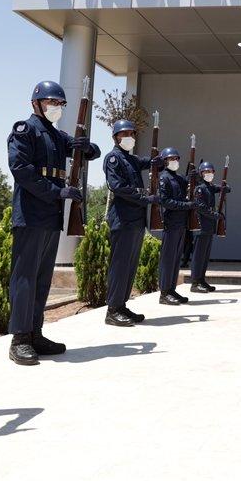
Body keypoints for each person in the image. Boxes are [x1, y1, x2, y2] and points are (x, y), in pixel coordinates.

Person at [7, 80, 99, 365]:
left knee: (42, 278)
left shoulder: (57, 136)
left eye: (60, 104)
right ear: (36, 104)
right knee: (24, 278)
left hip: (50, 217)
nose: (56, 108)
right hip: (31, 214)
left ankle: (35, 333)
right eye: (51, 103)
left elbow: (89, 152)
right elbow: (21, 170)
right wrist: (57, 192)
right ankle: (19, 339)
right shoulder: (25, 130)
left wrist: (87, 145)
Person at [102, 119, 156, 328]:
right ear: (116, 138)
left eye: (132, 134)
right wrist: (144, 197)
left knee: (130, 265)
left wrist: (157, 161)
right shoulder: (113, 159)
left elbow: (145, 162)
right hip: (123, 220)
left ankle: (121, 305)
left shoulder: (130, 159)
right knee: (120, 265)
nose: (129, 138)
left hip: (135, 220)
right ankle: (112, 310)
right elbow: (118, 187)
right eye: (125, 134)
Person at [155, 146, 199, 305]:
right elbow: (165, 201)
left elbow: (191, 184)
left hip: (181, 224)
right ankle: (164, 293)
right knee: (168, 259)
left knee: (176, 259)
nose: (175, 161)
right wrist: (186, 205)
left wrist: (195, 176)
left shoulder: (179, 178)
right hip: (171, 222)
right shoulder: (164, 178)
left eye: (176, 159)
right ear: (165, 161)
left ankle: (171, 289)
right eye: (171, 159)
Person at [190, 160, 229, 292]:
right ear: (201, 174)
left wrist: (225, 188)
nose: (209, 174)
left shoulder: (209, 186)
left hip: (209, 227)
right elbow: (201, 208)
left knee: (205, 256)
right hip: (201, 226)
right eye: (206, 172)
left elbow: (221, 188)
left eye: (211, 172)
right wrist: (215, 215)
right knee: (198, 256)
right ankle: (195, 283)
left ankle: (201, 280)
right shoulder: (200, 188)